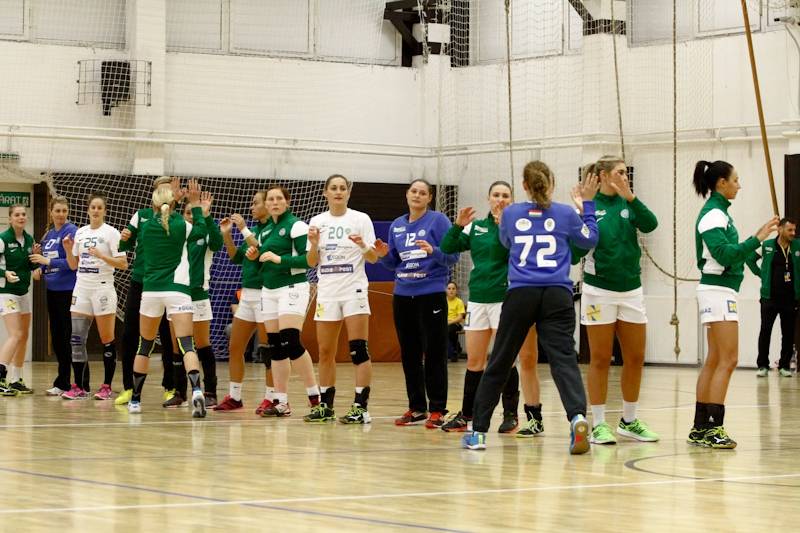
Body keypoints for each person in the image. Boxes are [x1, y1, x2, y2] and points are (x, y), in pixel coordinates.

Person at [462, 161, 599, 453]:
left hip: (521, 292)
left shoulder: (511, 213)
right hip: (557, 293)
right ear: (552, 183)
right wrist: (587, 205)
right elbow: (590, 239)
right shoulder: (565, 213)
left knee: (500, 360)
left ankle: (478, 432)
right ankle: (577, 418)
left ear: (524, 185)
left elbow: (505, 242)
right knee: (563, 359)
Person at [439, 180, 542, 436]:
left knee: (504, 358)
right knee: (475, 361)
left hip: (504, 298)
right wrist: (457, 225)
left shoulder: (518, 227)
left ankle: (510, 415)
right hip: (477, 299)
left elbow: (522, 256)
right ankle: (467, 415)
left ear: (512, 200)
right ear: (489, 198)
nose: (500, 199)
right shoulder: (476, 227)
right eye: (496, 194)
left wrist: (505, 227)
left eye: (505, 195)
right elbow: (447, 248)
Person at [570, 156, 660, 445]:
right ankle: (598, 424)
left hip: (631, 290)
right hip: (599, 291)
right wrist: (582, 214)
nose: (625, 176)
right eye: (620, 172)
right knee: (599, 358)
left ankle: (629, 421)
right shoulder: (588, 206)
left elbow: (651, 224)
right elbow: (574, 254)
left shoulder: (628, 203)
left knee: (634, 357)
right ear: (603, 176)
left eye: (626, 172)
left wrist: (631, 197)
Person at [689, 160, 778, 449]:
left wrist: (758, 246)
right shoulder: (713, 215)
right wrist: (757, 238)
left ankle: (700, 427)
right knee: (728, 359)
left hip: (719, 290)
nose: (739, 185)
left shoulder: (721, 214)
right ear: (721, 183)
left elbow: (736, 254)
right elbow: (725, 255)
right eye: (735, 180)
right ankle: (714, 428)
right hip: (717, 291)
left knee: (715, 359)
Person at [375, 179, 459, 429]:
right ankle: (417, 408)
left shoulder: (439, 221)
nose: (417, 195)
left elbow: (452, 257)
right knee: (409, 353)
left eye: (423, 193)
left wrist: (434, 251)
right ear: (407, 194)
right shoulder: (397, 225)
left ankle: (437, 409)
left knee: (434, 352)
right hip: (403, 295)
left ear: (429, 198)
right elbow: (393, 263)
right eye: (414, 191)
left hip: (431, 293)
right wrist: (383, 255)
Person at [123, 178, 209, 417]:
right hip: (178, 290)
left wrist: (173, 201)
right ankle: (197, 391)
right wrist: (195, 205)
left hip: (151, 291)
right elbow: (201, 232)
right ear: (173, 203)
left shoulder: (145, 226)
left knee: (145, 346)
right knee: (187, 345)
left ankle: (135, 401)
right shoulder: (182, 224)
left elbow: (127, 242)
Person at [304, 174, 378, 424]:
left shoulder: (360, 219)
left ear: (348, 192)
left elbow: (373, 258)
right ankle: (326, 406)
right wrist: (314, 244)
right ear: (325, 193)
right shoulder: (317, 221)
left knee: (358, 350)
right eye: (333, 188)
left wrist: (363, 245)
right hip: (327, 292)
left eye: (342, 188)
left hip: (353, 290)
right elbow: (311, 262)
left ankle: (361, 408)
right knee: (325, 351)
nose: (338, 192)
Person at [252, 185, 320, 417]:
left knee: (291, 341)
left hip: (292, 287)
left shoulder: (296, 225)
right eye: (270, 199)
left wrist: (279, 259)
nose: (274, 202)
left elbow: (309, 261)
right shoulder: (265, 231)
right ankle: (281, 401)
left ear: (287, 202)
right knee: (275, 346)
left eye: (279, 198)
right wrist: (255, 257)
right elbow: (261, 264)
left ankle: (315, 397)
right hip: (268, 290)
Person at [116, 177, 179, 407]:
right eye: (160, 190)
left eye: (168, 190)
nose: (163, 194)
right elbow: (125, 245)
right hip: (141, 282)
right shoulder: (141, 215)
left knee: (169, 337)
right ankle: (129, 387)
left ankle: (170, 387)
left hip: (168, 284)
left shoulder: (177, 220)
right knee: (130, 335)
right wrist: (124, 239)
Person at [61, 193, 127, 400]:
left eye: (99, 207)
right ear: (88, 210)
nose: (96, 210)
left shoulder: (112, 233)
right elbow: (73, 265)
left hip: (102, 289)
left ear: (105, 211)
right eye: (93, 207)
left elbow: (123, 264)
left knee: (106, 339)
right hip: (82, 288)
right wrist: (68, 250)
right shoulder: (80, 233)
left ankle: (106, 386)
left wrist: (101, 256)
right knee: (76, 339)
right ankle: (79, 387)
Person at [214, 192, 275, 413]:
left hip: (266, 294)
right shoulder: (254, 229)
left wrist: (242, 228)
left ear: (267, 205)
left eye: (255, 203)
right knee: (235, 346)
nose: (251, 207)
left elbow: (262, 249)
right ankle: (235, 396)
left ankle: (272, 398)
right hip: (248, 295)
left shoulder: (273, 229)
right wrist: (227, 235)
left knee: (268, 351)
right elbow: (235, 257)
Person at [168, 192, 223, 407]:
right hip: (176, 294)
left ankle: (210, 392)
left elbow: (217, 243)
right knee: (177, 346)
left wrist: (205, 215)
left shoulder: (206, 233)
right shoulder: (176, 236)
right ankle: (179, 392)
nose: (191, 216)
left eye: (194, 213)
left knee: (202, 344)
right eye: (188, 212)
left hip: (198, 295)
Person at [29, 196, 77, 396]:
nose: (61, 214)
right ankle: (63, 382)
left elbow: (73, 263)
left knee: (68, 337)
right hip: (52, 291)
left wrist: (46, 262)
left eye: (64, 211)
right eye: (57, 211)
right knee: (57, 338)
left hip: (68, 290)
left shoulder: (71, 231)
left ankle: (75, 383)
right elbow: (42, 260)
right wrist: (38, 269)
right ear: (51, 212)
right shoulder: (48, 234)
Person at [746, 217, 799, 377]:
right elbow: (750, 259)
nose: (793, 233)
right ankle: (763, 365)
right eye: (790, 230)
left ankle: (784, 366)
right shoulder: (767, 245)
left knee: (788, 333)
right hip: (769, 298)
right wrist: (762, 274)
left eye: (794, 230)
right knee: (765, 331)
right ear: (780, 229)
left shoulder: (797, 246)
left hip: (790, 299)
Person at [0, 204, 37, 396]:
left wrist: (36, 262)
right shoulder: (3, 239)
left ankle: (16, 380)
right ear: (10, 218)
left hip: (24, 293)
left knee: (23, 336)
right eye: (17, 214)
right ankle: (0, 376)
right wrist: (4, 273)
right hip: (7, 293)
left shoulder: (29, 239)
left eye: (23, 214)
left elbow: (29, 266)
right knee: (15, 334)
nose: (21, 217)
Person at [446, 281, 466, 362]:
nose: (451, 290)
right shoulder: (443, 301)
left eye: (453, 289)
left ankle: (453, 351)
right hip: (445, 323)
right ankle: (455, 349)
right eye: (449, 288)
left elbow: (460, 317)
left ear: (456, 291)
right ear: (445, 290)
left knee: (449, 329)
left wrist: (449, 322)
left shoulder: (459, 301)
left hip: (455, 323)